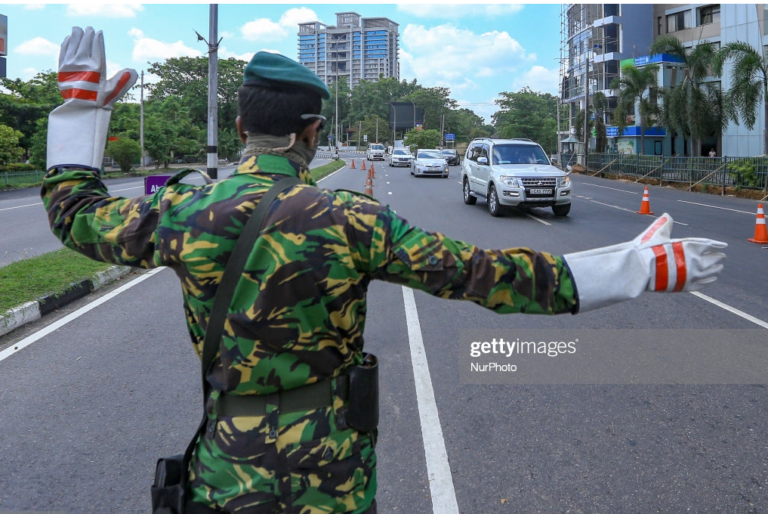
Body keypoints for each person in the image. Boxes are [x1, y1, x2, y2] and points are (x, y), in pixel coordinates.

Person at [42, 27, 727, 514]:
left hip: (227, 469)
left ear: (243, 121)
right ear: (313, 133)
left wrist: (79, 113)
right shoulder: (352, 220)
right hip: (333, 473)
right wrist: (635, 269)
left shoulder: (185, 210)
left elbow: (75, 213)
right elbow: (485, 275)